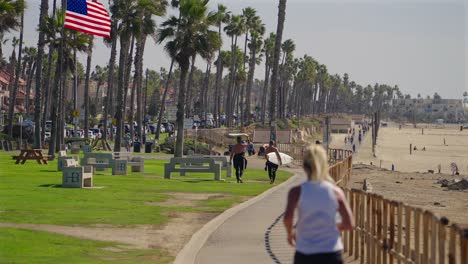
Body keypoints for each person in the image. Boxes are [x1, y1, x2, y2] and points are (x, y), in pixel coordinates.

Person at [283, 145, 354, 264]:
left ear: (304, 167)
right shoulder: (336, 192)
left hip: (305, 253)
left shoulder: (296, 192)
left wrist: (290, 234)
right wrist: (330, 227)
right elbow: (349, 224)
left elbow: (287, 218)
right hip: (331, 253)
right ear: (324, 165)